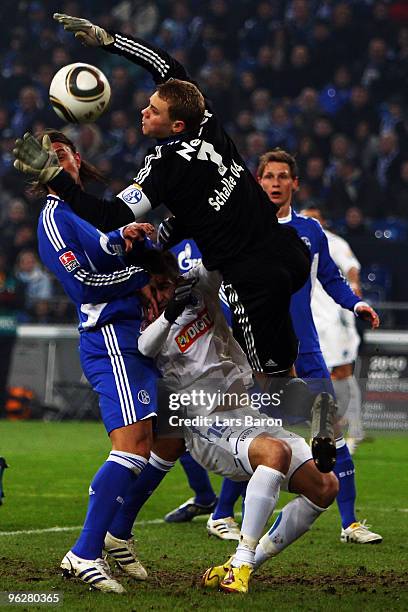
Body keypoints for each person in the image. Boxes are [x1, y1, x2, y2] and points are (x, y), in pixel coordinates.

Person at [14, 13, 311, 393]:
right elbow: (167, 66)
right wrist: (109, 41)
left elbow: (112, 215)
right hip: (288, 252)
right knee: (284, 364)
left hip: (251, 277)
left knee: (268, 380)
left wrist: (56, 179)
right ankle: (318, 416)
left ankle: (273, 434)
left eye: (153, 111)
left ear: (176, 127)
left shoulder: (164, 168)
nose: (143, 111)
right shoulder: (206, 119)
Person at [109, 248, 338, 594]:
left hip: (243, 410)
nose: (164, 294)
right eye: (156, 288)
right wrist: (169, 313)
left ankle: (239, 564)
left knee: (325, 487)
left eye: (168, 286)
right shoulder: (141, 321)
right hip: (204, 422)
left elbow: (220, 255)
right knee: (274, 453)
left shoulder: (196, 288)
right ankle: (241, 562)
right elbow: (144, 348)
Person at [32, 129, 160, 593]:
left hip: (133, 333)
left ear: (77, 159)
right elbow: (84, 285)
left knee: (159, 440)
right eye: (48, 156)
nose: (57, 159)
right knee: (131, 447)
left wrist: (125, 235)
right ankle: (86, 551)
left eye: (62, 151)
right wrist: (143, 274)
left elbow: (103, 249)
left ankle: (115, 535)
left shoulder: (78, 212)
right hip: (109, 337)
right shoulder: (52, 218)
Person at [302, 204, 365, 453]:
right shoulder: (294, 240)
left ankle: (353, 429)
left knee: (341, 372)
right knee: (315, 377)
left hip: (333, 320)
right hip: (309, 320)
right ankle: (325, 429)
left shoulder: (332, 241)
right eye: (307, 218)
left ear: (323, 221)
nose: (311, 223)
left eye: (315, 219)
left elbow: (351, 266)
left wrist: (355, 286)